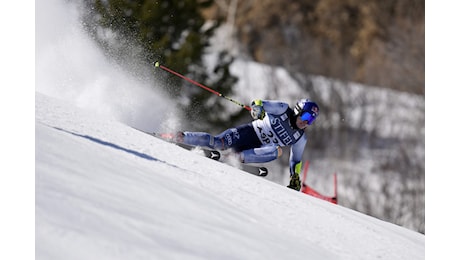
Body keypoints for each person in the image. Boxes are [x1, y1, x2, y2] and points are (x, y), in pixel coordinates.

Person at [175, 98, 319, 191]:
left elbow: (295, 160)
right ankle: (182, 137)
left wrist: (294, 177)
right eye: (306, 116)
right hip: (248, 133)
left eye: (311, 120)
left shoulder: (300, 138)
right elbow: (258, 103)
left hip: (258, 149)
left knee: (277, 151)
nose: (306, 122)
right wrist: (258, 110)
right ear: (297, 111)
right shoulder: (282, 109)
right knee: (218, 143)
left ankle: (234, 158)